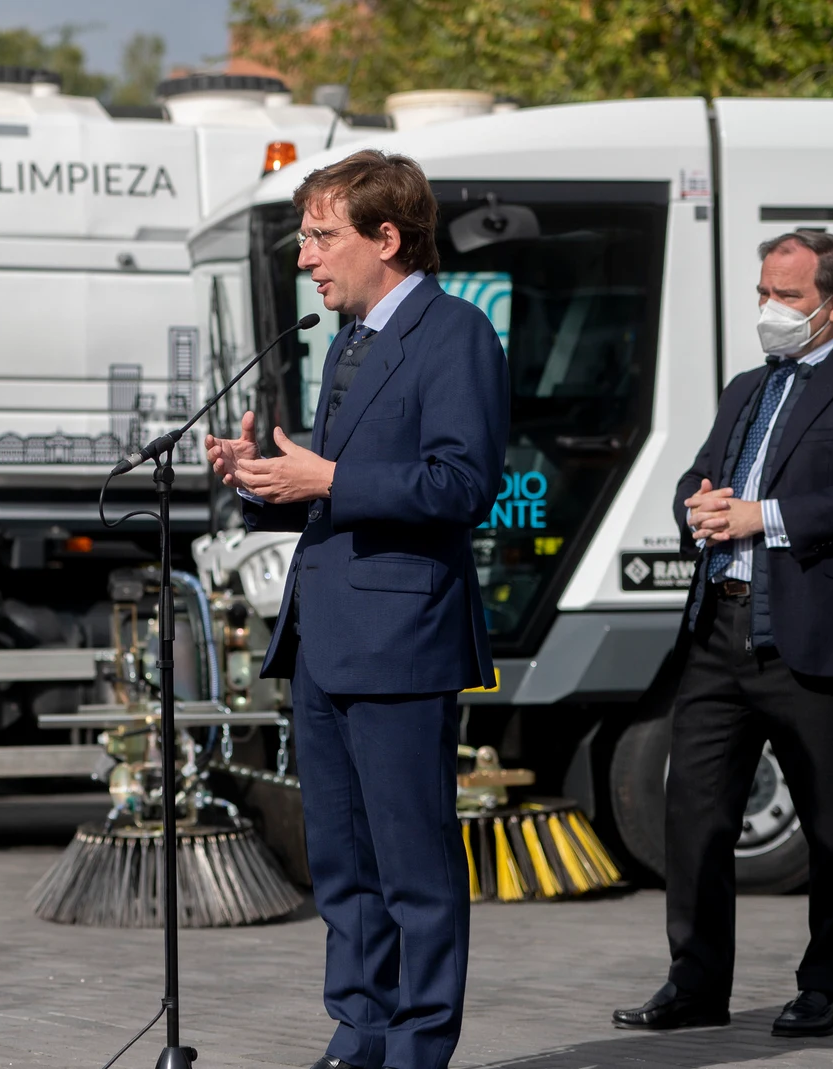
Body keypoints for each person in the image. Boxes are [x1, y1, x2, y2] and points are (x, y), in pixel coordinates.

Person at [206, 150, 509, 1069]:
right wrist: (262, 481)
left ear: (387, 237)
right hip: (326, 632)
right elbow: (337, 491)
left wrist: (325, 474)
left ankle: (419, 1046)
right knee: (342, 863)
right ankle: (359, 1033)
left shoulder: (455, 334)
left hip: (401, 637)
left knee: (412, 866)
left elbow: (462, 484)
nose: (306, 258)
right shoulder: (348, 340)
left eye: (320, 235)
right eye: (305, 237)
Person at [613, 231, 833, 1038]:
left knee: (831, 821)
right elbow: (703, 471)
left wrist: (762, 516)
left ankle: (824, 987)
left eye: (786, 296)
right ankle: (696, 984)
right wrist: (698, 507)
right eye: (763, 293)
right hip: (718, 627)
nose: (769, 310)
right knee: (694, 815)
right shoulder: (749, 385)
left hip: (810, 632)